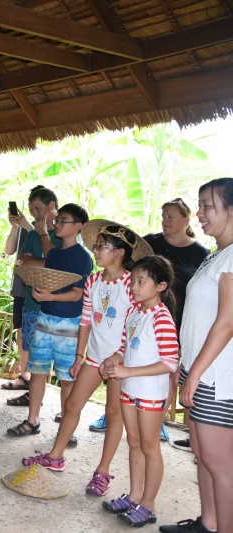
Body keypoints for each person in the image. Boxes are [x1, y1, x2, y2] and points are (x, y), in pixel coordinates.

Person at [22, 221, 147, 498]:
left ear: (119, 253)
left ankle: (102, 471)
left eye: (101, 246)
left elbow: (134, 325)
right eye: (96, 246)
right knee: (72, 405)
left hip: (122, 361)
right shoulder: (93, 280)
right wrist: (80, 356)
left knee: (113, 414)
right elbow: (86, 321)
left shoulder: (132, 284)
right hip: (94, 357)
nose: (95, 250)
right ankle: (55, 456)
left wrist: (118, 355)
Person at [90, 199, 209, 447]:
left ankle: (156, 420)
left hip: (173, 317)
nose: (165, 221)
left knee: (166, 374)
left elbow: (169, 362)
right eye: (163, 216)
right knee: (133, 358)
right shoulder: (151, 243)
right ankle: (117, 415)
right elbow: (128, 265)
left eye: (171, 217)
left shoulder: (200, 253)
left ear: (186, 220)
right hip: (142, 315)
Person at [161, 178, 233, 533]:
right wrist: (184, 367)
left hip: (216, 376)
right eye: (200, 204)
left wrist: (198, 372)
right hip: (198, 370)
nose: (200, 213)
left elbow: (228, 321)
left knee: (220, 464)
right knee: (202, 454)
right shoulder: (216, 254)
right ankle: (208, 522)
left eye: (208, 206)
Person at [100, 255, 178, 527]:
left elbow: (170, 362)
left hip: (150, 393)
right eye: (132, 281)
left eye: (141, 282)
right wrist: (112, 360)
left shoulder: (162, 318)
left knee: (149, 446)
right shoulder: (134, 313)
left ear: (161, 286)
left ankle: (149, 504)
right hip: (130, 389)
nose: (133, 287)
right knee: (134, 442)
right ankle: (134, 496)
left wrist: (128, 372)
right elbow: (125, 348)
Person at [7, 203, 93, 438]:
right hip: (45, 319)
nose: (58, 224)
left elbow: (77, 294)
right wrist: (35, 285)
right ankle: (32, 420)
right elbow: (48, 281)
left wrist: (49, 296)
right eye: (58, 220)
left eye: (63, 221)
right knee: (37, 372)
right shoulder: (53, 254)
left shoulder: (83, 257)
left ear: (78, 226)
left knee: (67, 379)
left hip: (69, 324)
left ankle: (67, 427)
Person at [6, 185, 60, 408]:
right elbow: (22, 261)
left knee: (56, 360)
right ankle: (32, 399)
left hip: (56, 308)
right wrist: (43, 265)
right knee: (34, 354)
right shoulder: (32, 235)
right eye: (32, 210)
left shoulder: (63, 234)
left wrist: (40, 265)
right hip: (31, 303)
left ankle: (65, 408)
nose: (35, 214)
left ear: (52, 206)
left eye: (38, 209)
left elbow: (58, 263)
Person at [1, 201, 33, 391]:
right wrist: (15, 227)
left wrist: (26, 224)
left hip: (37, 289)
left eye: (37, 207)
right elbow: (8, 250)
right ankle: (24, 375)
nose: (33, 210)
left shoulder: (49, 230)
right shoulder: (23, 227)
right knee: (21, 332)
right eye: (32, 206)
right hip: (20, 287)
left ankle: (34, 379)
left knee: (33, 334)